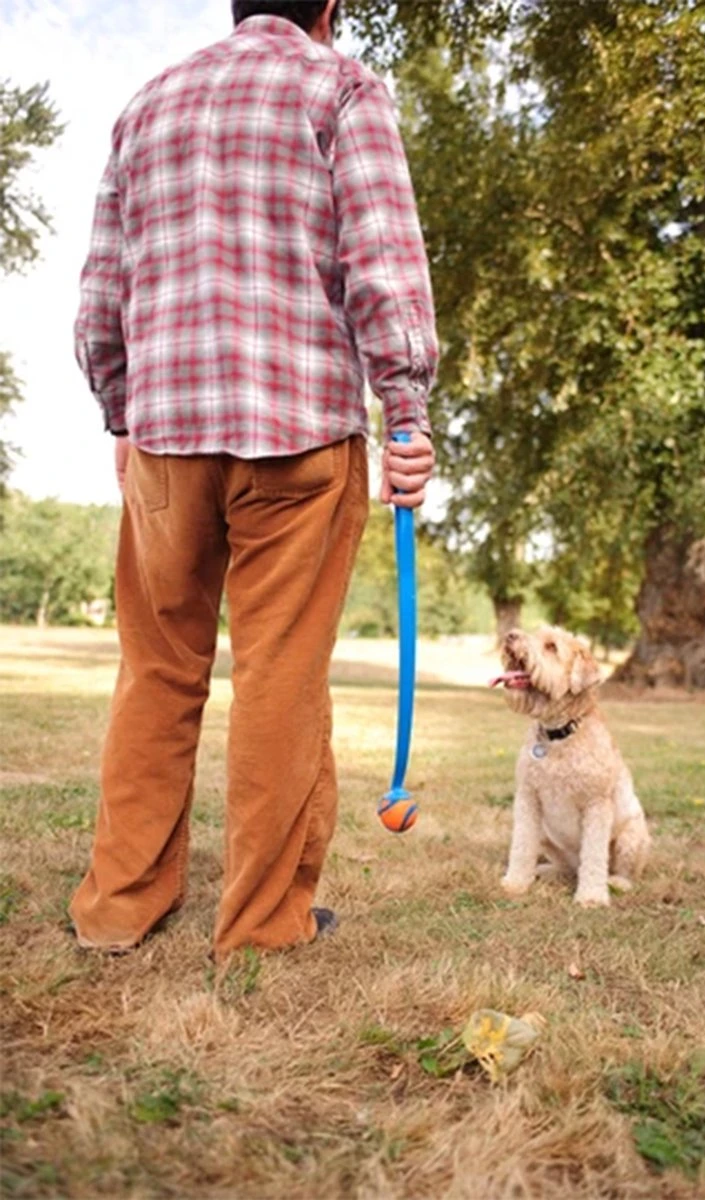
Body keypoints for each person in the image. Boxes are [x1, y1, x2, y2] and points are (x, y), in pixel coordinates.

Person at [70, 0, 438, 958]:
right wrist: (406, 411)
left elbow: (99, 298)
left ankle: (118, 907)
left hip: (164, 441)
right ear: (331, 9)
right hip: (299, 437)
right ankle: (263, 925)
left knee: (157, 668)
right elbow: (384, 274)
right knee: (280, 671)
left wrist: (122, 410)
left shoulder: (145, 105)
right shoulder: (341, 87)